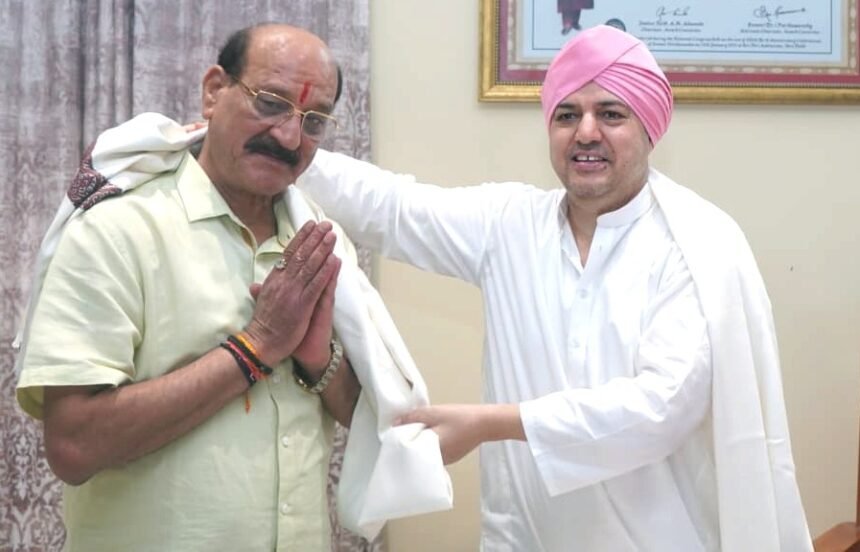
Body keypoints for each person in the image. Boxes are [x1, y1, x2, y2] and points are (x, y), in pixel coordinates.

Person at [297, 25, 813, 551]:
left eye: (611, 114)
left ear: (649, 129)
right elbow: (391, 207)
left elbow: (661, 407)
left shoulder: (695, 246)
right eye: (567, 115)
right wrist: (286, 146)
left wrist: (490, 424)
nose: (586, 132)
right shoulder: (510, 225)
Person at [15, 23, 363, 551]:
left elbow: (370, 417)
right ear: (214, 91)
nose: (290, 138)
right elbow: (73, 446)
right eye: (271, 104)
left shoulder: (319, 240)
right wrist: (255, 348)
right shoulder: (118, 230)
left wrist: (319, 362)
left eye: (313, 121)